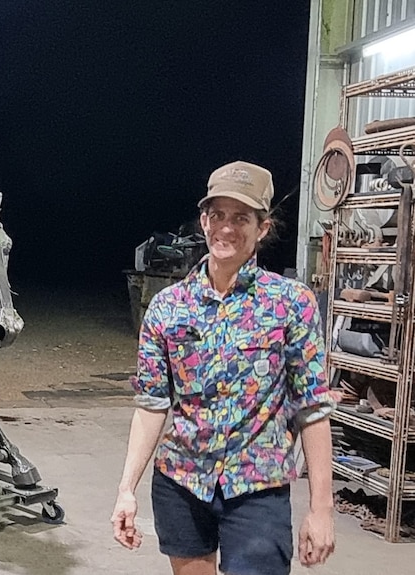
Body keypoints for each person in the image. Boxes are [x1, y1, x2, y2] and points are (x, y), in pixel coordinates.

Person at [110, 161, 336, 575]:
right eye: (218, 215)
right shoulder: (168, 307)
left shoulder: (291, 303)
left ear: (262, 228)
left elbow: (313, 410)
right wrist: (126, 489)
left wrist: (321, 509)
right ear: (203, 220)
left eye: (241, 218)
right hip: (182, 482)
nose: (226, 228)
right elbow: (151, 405)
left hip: (258, 489)